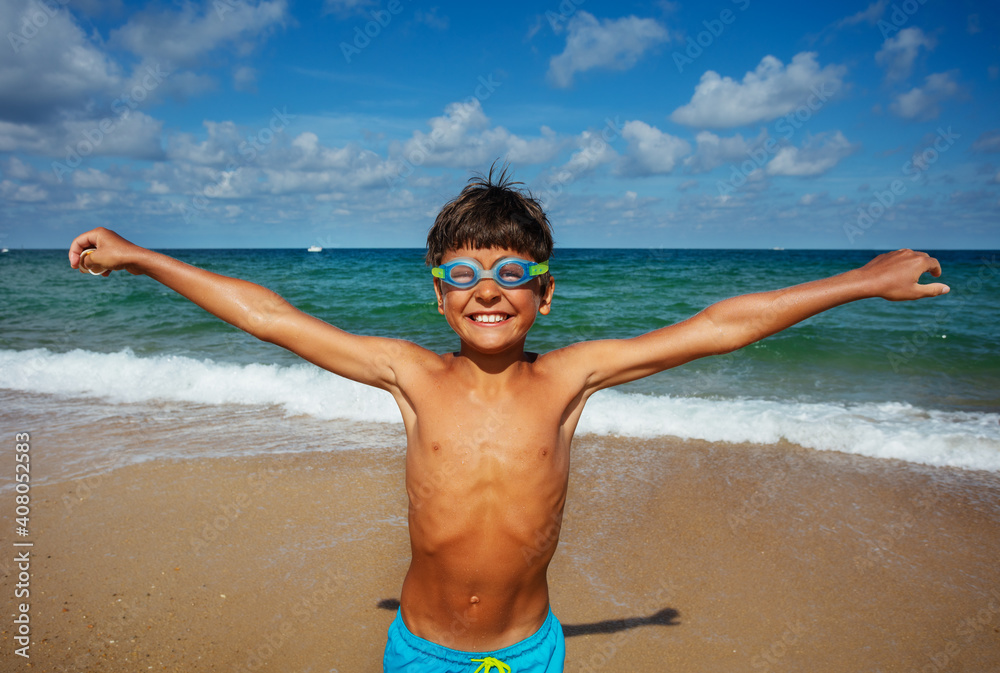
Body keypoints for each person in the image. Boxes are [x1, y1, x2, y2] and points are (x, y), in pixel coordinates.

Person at [68, 166, 949, 673]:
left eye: (512, 273)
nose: (487, 287)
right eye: (462, 273)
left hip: (531, 652)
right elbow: (269, 315)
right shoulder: (407, 373)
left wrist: (863, 279)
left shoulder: (570, 378)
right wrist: (143, 257)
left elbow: (717, 327)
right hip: (420, 651)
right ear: (440, 297)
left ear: (545, 295)